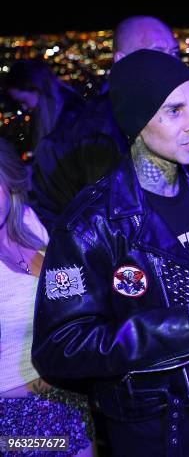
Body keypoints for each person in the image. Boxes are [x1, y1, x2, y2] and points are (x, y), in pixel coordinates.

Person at [31, 50, 189, 456]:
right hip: (149, 428)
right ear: (138, 122)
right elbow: (59, 349)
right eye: (174, 111)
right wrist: (185, 325)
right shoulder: (93, 222)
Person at [31, 16, 189, 246]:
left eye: (175, 54)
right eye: (157, 54)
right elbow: (52, 228)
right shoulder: (75, 141)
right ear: (122, 62)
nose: (171, 64)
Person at [0, 138, 94, 456]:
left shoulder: (27, 221)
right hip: (13, 417)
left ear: (9, 180)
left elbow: (70, 297)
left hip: (69, 395)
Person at [4, 60, 84, 151]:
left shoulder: (70, 118)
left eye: (23, 101)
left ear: (36, 89)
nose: (24, 107)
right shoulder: (60, 111)